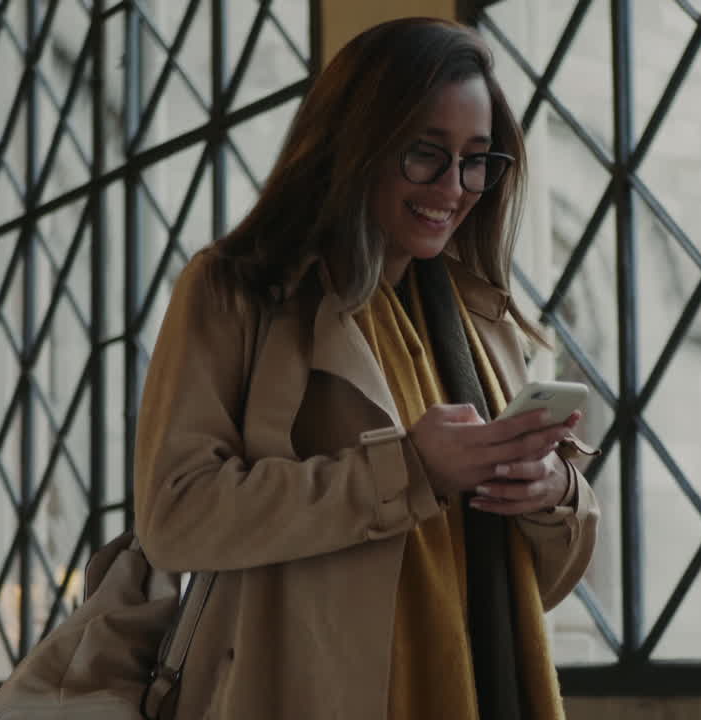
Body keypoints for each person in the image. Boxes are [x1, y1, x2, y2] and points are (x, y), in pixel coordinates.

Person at [133, 16, 599, 720]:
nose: (455, 186)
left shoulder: (486, 321)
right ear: (356, 144)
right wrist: (409, 471)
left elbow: (535, 585)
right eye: (425, 154)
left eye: (477, 159)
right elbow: (175, 516)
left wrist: (551, 491)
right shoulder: (238, 289)